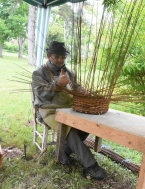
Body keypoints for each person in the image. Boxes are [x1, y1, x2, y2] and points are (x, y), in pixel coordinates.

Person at [31, 41, 107, 180]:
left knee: (87, 125)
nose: (60, 60)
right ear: (49, 55)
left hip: (69, 109)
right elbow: (41, 94)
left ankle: (63, 152)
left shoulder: (69, 73)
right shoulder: (39, 73)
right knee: (68, 129)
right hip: (49, 110)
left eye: (63, 57)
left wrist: (82, 91)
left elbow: (76, 87)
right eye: (57, 57)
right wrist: (57, 84)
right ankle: (91, 166)